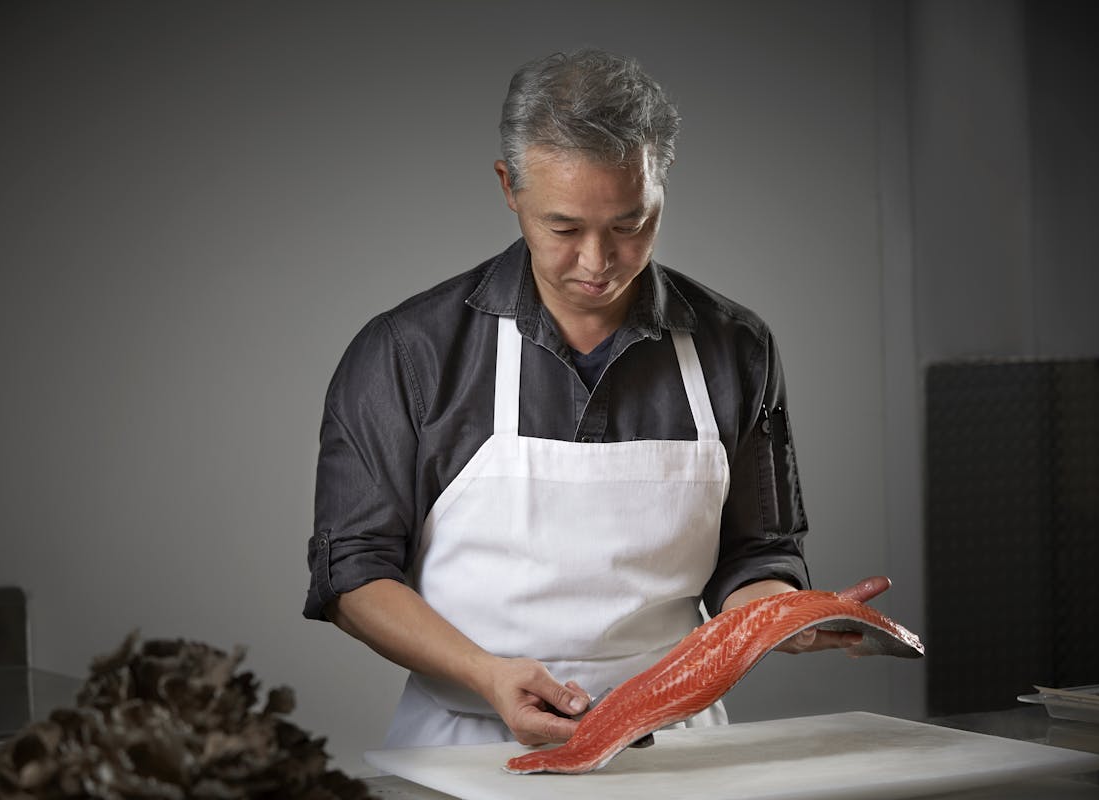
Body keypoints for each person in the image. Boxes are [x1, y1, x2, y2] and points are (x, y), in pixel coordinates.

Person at [303, 48, 883, 748]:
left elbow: (755, 556)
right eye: (564, 228)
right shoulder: (407, 352)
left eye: (629, 224)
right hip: (468, 745)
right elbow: (353, 574)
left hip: (679, 746)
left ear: (660, 187)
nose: (597, 262)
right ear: (508, 187)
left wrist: (781, 617)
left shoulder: (736, 347)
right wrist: (488, 675)